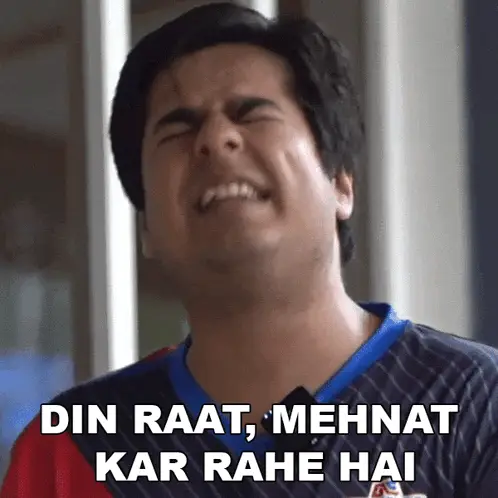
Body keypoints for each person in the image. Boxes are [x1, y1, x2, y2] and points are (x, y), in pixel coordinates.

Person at [2, 3, 497, 497]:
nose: (215, 140)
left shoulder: (475, 406)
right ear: (146, 225)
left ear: (341, 183)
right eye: (178, 129)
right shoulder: (69, 452)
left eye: (252, 114)